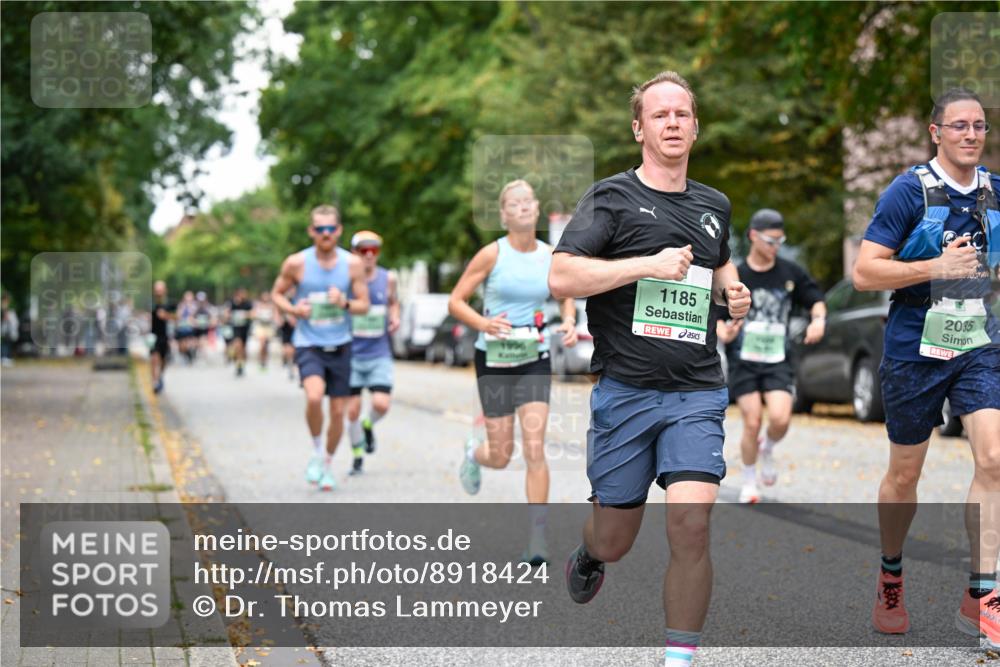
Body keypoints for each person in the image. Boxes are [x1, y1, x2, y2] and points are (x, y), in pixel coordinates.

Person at [549, 71, 751, 667]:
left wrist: (733, 295)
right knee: (613, 539)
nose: (671, 123)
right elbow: (562, 275)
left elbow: (722, 269)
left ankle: (678, 659)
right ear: (639, 127)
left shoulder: (715, 205)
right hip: (626, 391)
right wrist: (645, 265)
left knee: (691, 523)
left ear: (695, 126)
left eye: (681, 114)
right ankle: (589, 554)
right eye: (659, 114)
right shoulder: (609, 199)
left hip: (696, 390)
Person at [852, 87, 1000, 642]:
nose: (970, 134)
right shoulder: (907, 192)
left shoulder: (995, 194)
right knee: (905, 475)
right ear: (935, 133)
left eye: (979, 126)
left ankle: (981, 593)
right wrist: (936, 265)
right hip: (914, 344)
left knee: (993, 457)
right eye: (958, 125)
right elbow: (867, 272)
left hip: (978, 340)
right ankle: (891, 571)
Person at [451, 179, 578, 566]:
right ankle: (474, 454)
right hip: (493, 359)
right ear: (504, 214)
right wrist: (484, 323)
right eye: (514, 202)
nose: (523, 207)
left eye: (528, 201)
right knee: (502, 454)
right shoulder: (491, 254)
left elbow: (567, 292)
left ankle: (537, 539)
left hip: (533, 357)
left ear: (537, 209)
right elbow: (456, 302)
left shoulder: (552, 255)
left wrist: (570, 320)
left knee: (535, 446)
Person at [716, 209, 826, 503]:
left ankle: (767, 448)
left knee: (780, 419)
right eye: (770, 240)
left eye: (780, 241)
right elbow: (716, 310)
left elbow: (816, 300)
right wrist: (721, 331)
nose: (776, 246)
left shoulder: (790, 272)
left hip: (777, 359)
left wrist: (818, 320)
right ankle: (749, 482)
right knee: (751, 421)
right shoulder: (737, 273)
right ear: (753, 236)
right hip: (744, 359)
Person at [271, 205, 370, 492]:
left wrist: (345, 303)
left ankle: (326, 463)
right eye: (319, 229)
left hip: (341, 344)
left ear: (338, 231)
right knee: (314, 397)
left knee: (338, 412)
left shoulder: (352, 264)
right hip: (309, 342)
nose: (325, 234)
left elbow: (363, 305)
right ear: (311, 231)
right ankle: (316, 451)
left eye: (330, 229)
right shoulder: (296, 263)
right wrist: (293, 309)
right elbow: (276, 294)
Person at [345, 231, 401, 476]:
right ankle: (357, 455)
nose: (369, 255)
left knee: (382, 403)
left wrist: (395, 316)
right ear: (354, 253)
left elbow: (393, 302)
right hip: (352, 354)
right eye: (363, 250)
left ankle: (369, 425)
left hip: (379, 351)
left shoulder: (388, 278)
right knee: (352, 409)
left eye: (374, 250)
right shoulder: (346, 279)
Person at [149, 281, 175, 394]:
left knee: (164, 360)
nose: (158, 292)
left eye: (160, 290)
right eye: (156, 290)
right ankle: (155, 382)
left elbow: (177, 317)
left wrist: (166, 316)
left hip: (165, 336)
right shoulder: (151, 303)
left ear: (165, 290)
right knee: (154, 359)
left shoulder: (170, 303)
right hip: (153, 336)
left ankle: (160, 377)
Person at [225, 288, 253, 377]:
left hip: (245, 328)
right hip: (236, 328)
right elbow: (226, 314)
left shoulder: (248, 303)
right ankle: (237, 365)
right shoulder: (232, 303)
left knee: (243, 349)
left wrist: (244, 314)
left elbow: (253, 314)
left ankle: (241, 366)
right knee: (238, 346)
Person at [253, 290, 278, 370]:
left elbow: (275, 316)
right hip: (260, 326)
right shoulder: (258, 305)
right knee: (262, 344)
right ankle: (261, 360)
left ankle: (265, 361)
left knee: (266, 346)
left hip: (269, 327)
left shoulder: (272, 306)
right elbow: (254, 314)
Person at [1, 293, 19, 366]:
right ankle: (4, 357)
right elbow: (4, 317)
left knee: (8, 342)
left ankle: (7, 357)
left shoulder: (5, 306)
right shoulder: (3, 305)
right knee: (5, 343)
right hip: (4, 327)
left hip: (7, 327)